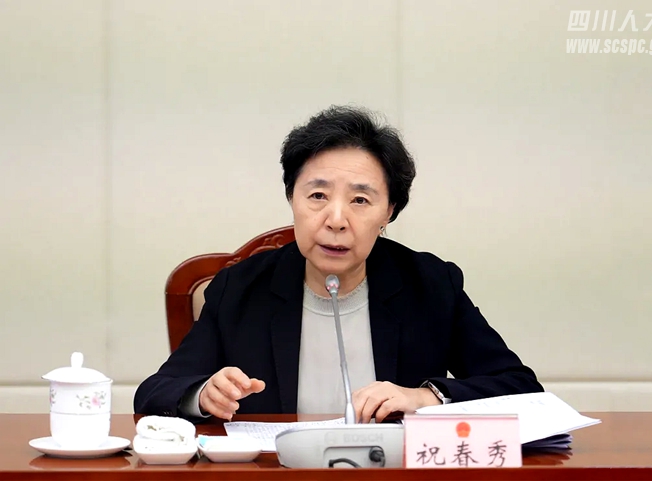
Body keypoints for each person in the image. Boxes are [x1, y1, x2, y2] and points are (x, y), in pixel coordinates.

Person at [133, 105, 543, 423]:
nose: (336, 219)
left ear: (389, 212)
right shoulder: (239, 289)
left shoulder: (431, 286)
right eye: (317, 196)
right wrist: (204, 393)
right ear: (292, 198)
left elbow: (522, 389)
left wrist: (426, 397)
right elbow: (155, 391)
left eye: (360, 200)